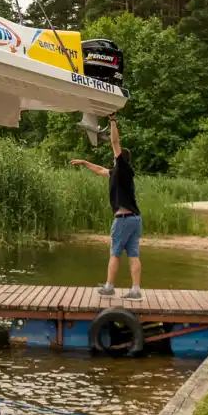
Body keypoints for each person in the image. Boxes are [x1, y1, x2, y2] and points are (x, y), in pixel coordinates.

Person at [70, 115, 143, 300]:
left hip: (124, 220)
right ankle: (136, 291)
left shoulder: (124, 169)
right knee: (133, 255)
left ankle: (109, 287)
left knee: (115, 253)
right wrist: (85, 163)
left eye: (115, 158)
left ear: (121, 160)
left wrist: (112, 121)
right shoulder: (116, 174)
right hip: (135, 220)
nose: (113, 159)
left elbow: (115, 142)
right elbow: (100, 170)